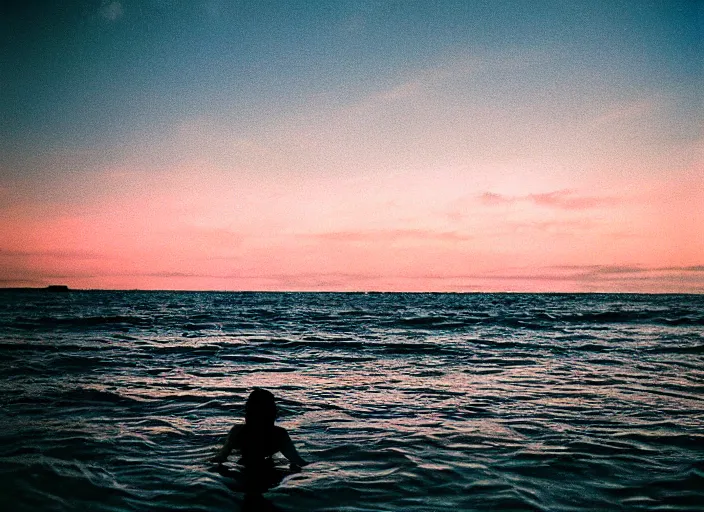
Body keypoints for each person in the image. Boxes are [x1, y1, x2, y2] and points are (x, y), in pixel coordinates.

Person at [212, 388, 308, 470]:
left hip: (244, 467)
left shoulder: (239, 431)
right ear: (272, 413)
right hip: (270, 470)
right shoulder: (278, 434)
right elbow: (297, 461)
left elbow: (221, 457)